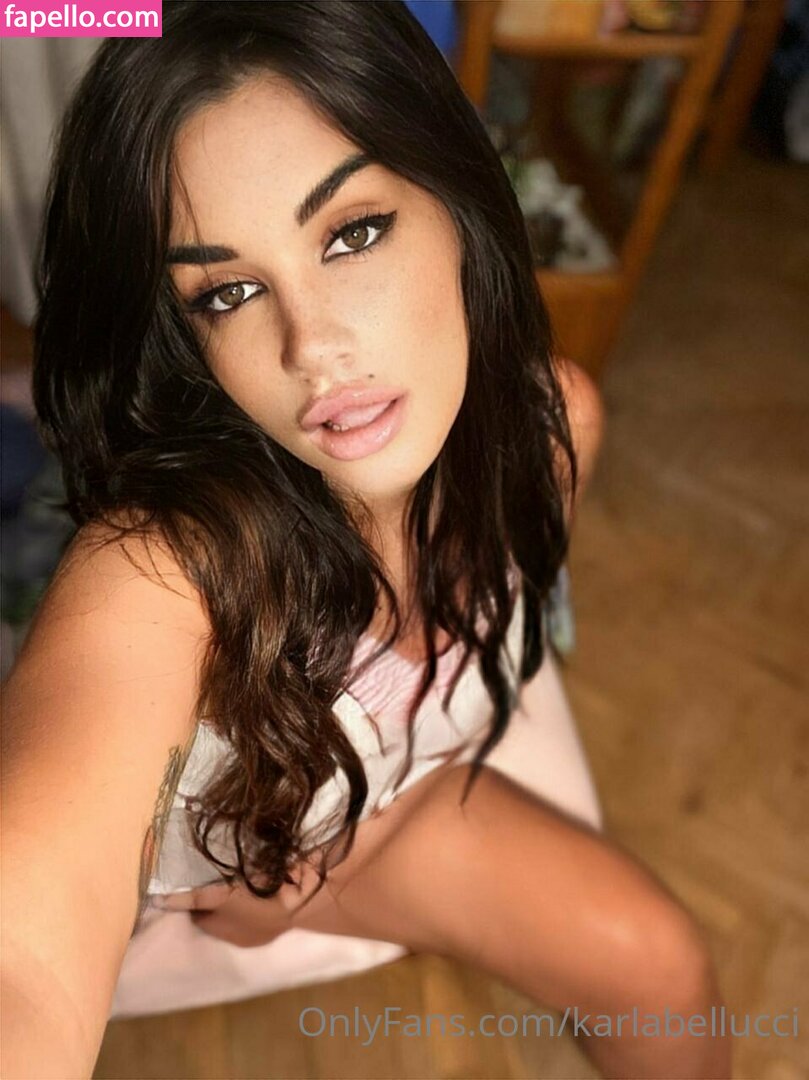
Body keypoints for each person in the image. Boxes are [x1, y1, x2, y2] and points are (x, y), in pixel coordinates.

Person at [1, 3, 730, 1078]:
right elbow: (24, 958)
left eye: (351, 233)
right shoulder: (157, 578)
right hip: (213, 886)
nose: (314, 347)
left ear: (455, 202)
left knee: (660, 969)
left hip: (376, 810)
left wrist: (329, 866)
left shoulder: (550, 425)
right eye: (229, 292)